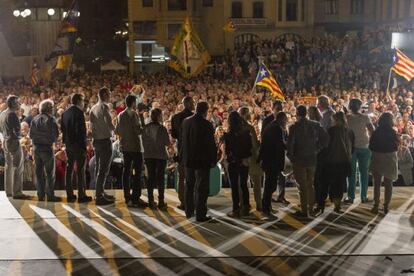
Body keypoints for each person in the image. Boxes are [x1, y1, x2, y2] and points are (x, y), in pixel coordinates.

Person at [287, 105, 329, 217]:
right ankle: (310, 208)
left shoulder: (294, 127)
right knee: (310, 184)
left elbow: (290, 145)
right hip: (312, 158)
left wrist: (291, 157)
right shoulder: (315, 125)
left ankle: (304, 210)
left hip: (299, 159)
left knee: (302, 186)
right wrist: (317, 149)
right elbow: (326, 138)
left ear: (297, 113)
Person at [180, 101, 217, 222]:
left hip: (188, 159)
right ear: (206, 111)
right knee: (201, 188)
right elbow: (211, 145)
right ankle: (200, 214)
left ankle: (189, 212)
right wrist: (213, 160)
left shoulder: (186, 122)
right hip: (202, 160)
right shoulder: (207, 124)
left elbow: (182, 141)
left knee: (189, 185)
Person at [316, 112, 354, 213]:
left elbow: (325, 146)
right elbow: (352, 148)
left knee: (324, 184)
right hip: (343, 162)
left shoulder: (330, 131)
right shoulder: (349, 131)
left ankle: (321, 205)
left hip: (329, 162)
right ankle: (337, 206)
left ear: (335, 120)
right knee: (339, 185)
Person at [115, 94, 147, 208]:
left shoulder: (120, 114)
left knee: (126, 172)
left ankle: (127, 197)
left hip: (125, 147)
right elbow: (139, 131)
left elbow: (117, 130)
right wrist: (142, 120)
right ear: (133, 103)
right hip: (135, 147)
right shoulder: (134, 114)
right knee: (138, 173)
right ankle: (135, 198)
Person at [61, 93, 92, 203]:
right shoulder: (79, 113)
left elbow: (63, 129)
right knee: (80, 170)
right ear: (79, 100)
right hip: (78, 145)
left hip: (68, 145)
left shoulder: (65, 113)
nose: (84, 103)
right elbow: (81, 132)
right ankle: (81, 195)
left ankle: (69, 195)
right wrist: (84, 146)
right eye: (83, 100)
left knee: (69, 169)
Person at [221, 111, 252, 218]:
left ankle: (236, 209)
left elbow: (228, 151)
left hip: (233, 162)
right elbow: (249, 148)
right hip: (244, 161)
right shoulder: (246, 132)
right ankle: (246, 207)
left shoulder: (228, 135)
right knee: (243, 184)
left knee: (234, 187)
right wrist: (244, 158)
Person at [29, 99, 61, 201]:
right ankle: (50, 195)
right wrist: (47, 139)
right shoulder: (51, 119)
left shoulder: (35, 119)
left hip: (36, 148)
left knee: (38, 173)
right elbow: (55, 135)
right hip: (47, 148)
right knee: (50, 173)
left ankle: (40, 195)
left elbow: (31, 135)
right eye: (52, 107)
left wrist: (39, 138)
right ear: (49, 108)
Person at [0, 95, 30, 199]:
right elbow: (17, 131)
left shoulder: (2, 113)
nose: (19, 104)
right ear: (13, 103)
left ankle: (8, 191)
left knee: (8, 166)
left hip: (5, 141)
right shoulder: (13, 114)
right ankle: (17, 192)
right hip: (13, 142)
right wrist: (23, 135)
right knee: (18, 166)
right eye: (17, 102)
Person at [369, 112, 400, 214]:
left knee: (376, 183)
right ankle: (386, 206)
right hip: (390, 157)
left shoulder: (376, 132)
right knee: (388, 183)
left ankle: (375, 205)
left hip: (377, 157)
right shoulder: (393, 132)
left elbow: (371, 146)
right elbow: (396, 146)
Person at [345, 99, 375, 203]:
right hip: (365, 147)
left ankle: (351, 197)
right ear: (360, 107)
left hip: (351, 148)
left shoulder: (346, 117)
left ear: (350, 106)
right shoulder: (365, 117)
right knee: (364, 173)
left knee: (351, 173)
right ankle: (363, 197)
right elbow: (372, 131)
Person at [89, 87, 116, 205]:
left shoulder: (92, 108)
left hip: (96, 141)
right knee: (103, 169)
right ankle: (99, 196)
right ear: (104, 95)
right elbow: (109, 124)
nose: (110, 96)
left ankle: (99, 192)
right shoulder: (104, 107)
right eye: (109, 94)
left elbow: (92, 126)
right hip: (104, 141)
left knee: (98, 168)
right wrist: (116, 129)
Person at [259, 112, 288, 217]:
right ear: (281, 119)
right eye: (285, 119)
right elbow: (280, 144)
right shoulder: (276, 129)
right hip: (272, 161)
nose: (286, 122)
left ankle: (267, 207)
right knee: (270, 185)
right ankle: (265, 208)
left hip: (268, 160)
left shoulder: (271, 126)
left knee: (269, 185)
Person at [142, 108, 171, 210]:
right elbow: (167, 143)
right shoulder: (162, 129)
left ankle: (150, 201)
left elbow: (143, 142)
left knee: (150, 178)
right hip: (160, 156)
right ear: (159, 116)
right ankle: (161, 202)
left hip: (149, 155)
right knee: (160, 179)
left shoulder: (145, 128)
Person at [171, 96, 194, 210]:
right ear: (188, 103)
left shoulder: (175, 117)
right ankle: (192, 201)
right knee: (192, 177)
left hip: (181, 150)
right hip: (193, 150)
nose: (194, 104)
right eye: (193, 102)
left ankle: (183, 202)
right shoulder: (194, 117)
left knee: (182, 177)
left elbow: (174, 135)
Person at [239, 106, 263, 211]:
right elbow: (255, 144)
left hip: (240, 158)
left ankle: (244, 204)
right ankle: (259, 204)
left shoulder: (235, 127)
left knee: (243, 183)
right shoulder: (250, 128)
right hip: (252, 157)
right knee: (256, 182)